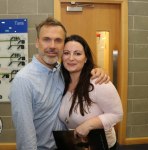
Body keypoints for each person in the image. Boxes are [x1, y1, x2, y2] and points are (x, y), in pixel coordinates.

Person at [9, 17, 110, 150]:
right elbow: (25, 134)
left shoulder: (62, 71)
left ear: (64, 45)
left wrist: (98, 71)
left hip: (66, 145)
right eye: (46, 39)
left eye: (58, 40)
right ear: (37, 43)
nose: (52, 46)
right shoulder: (24, 81)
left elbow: (82, 72)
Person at [59, 34, 123, 150]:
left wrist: (88, 125)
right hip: (75, 145)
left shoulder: (98, 81)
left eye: (77, 53)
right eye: (66, 53)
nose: (71, 58)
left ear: (86, 58)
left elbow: (117, 114)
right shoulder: (61, 81)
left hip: (101, 146)